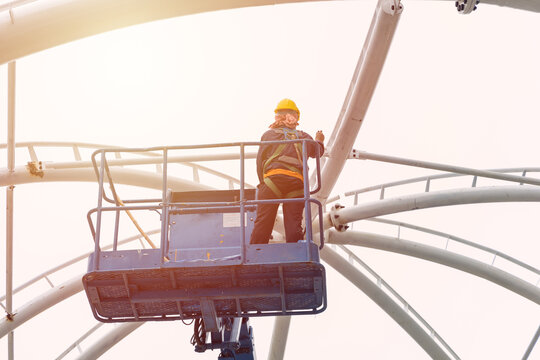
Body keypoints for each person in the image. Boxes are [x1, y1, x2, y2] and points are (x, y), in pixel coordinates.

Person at [250, 99, 325, 245]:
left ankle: (257, 251)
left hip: (272, 181)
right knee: (293, 227)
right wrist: (319, 140)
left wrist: (263, 183)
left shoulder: (269, 135)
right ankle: (296, 252)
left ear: (278, 116)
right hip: (296, 184)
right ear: (295, 117)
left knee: (263, 224)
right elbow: (317, 151)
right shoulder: (303, 136)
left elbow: (260, 162)